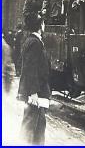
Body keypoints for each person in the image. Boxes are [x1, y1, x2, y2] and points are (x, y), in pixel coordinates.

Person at [17, 13, 51, 145]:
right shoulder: (35, 43)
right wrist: (33, 93)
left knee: (39, 125)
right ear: (40, 26)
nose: (44, 25)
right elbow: (30, 70)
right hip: (36, 93)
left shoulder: (31, 41)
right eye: (43, 23)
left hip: (38, 91)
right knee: (30, 126)